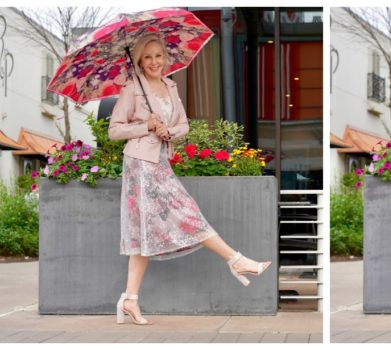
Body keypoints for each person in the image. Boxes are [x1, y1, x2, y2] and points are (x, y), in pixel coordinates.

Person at [108, 33, 271, 325]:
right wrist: (146, 125)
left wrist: (168, 132)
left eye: (159, 55)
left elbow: (182, 124)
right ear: (139, 61)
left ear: (165, 58)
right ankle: (236, 260)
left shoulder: (170, 86)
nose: (155, 61)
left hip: (160, 161)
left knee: (143, 232)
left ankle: (129, 299)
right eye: (148, 57)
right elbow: (115, 130)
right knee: (184, 214)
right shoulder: (132, 89)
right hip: (140, 164)